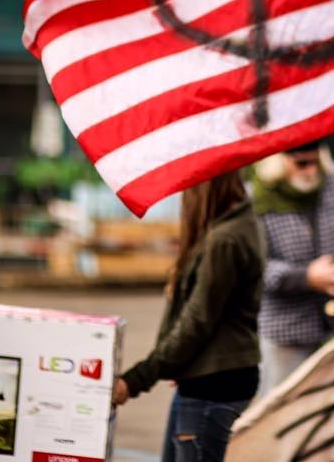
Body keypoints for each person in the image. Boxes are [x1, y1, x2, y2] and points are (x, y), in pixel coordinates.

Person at [113, 171, 264, 462]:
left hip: (213, 385)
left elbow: (196, 322)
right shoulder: (238, 225)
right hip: (208, 376)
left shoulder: (225, 240)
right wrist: (180, 362)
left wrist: (135, 380)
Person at [253, 140, 334, 394]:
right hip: (286, 331)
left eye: (316, 161)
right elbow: (254, 267)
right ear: (279, 162)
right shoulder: (255, 197)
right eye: (302, 163)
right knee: (285, 411)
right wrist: (307, 277)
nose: (311, 170)